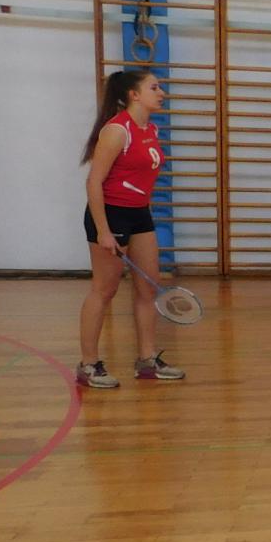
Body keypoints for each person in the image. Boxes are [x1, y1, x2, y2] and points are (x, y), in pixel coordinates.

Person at [78, 68, 184, 389]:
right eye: (155, 87)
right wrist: (103, 230)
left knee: (148, 288)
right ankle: (88, 365)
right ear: (134, 95)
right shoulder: (117, 131)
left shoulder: (150, 129)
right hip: (111, 215)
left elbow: (139, 178)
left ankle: (147, 360)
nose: (162, 92)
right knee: (104, 290)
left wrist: (142, 212)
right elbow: (93, 182)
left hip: (139, 215)